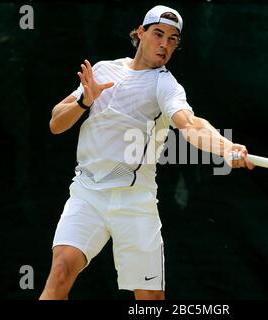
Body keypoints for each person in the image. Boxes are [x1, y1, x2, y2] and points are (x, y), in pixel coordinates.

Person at [40, 5, 254, 300]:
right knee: (60, 273)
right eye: (158, 34)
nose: (165, 44)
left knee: (150, 301)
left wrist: (226, 147)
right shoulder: (102, 71)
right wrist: (84, 102)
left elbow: (190, 125)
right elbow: (55, 122)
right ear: (140, 33)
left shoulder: (165, 85)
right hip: (87, 195)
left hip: (135, 204)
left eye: (173, 39)